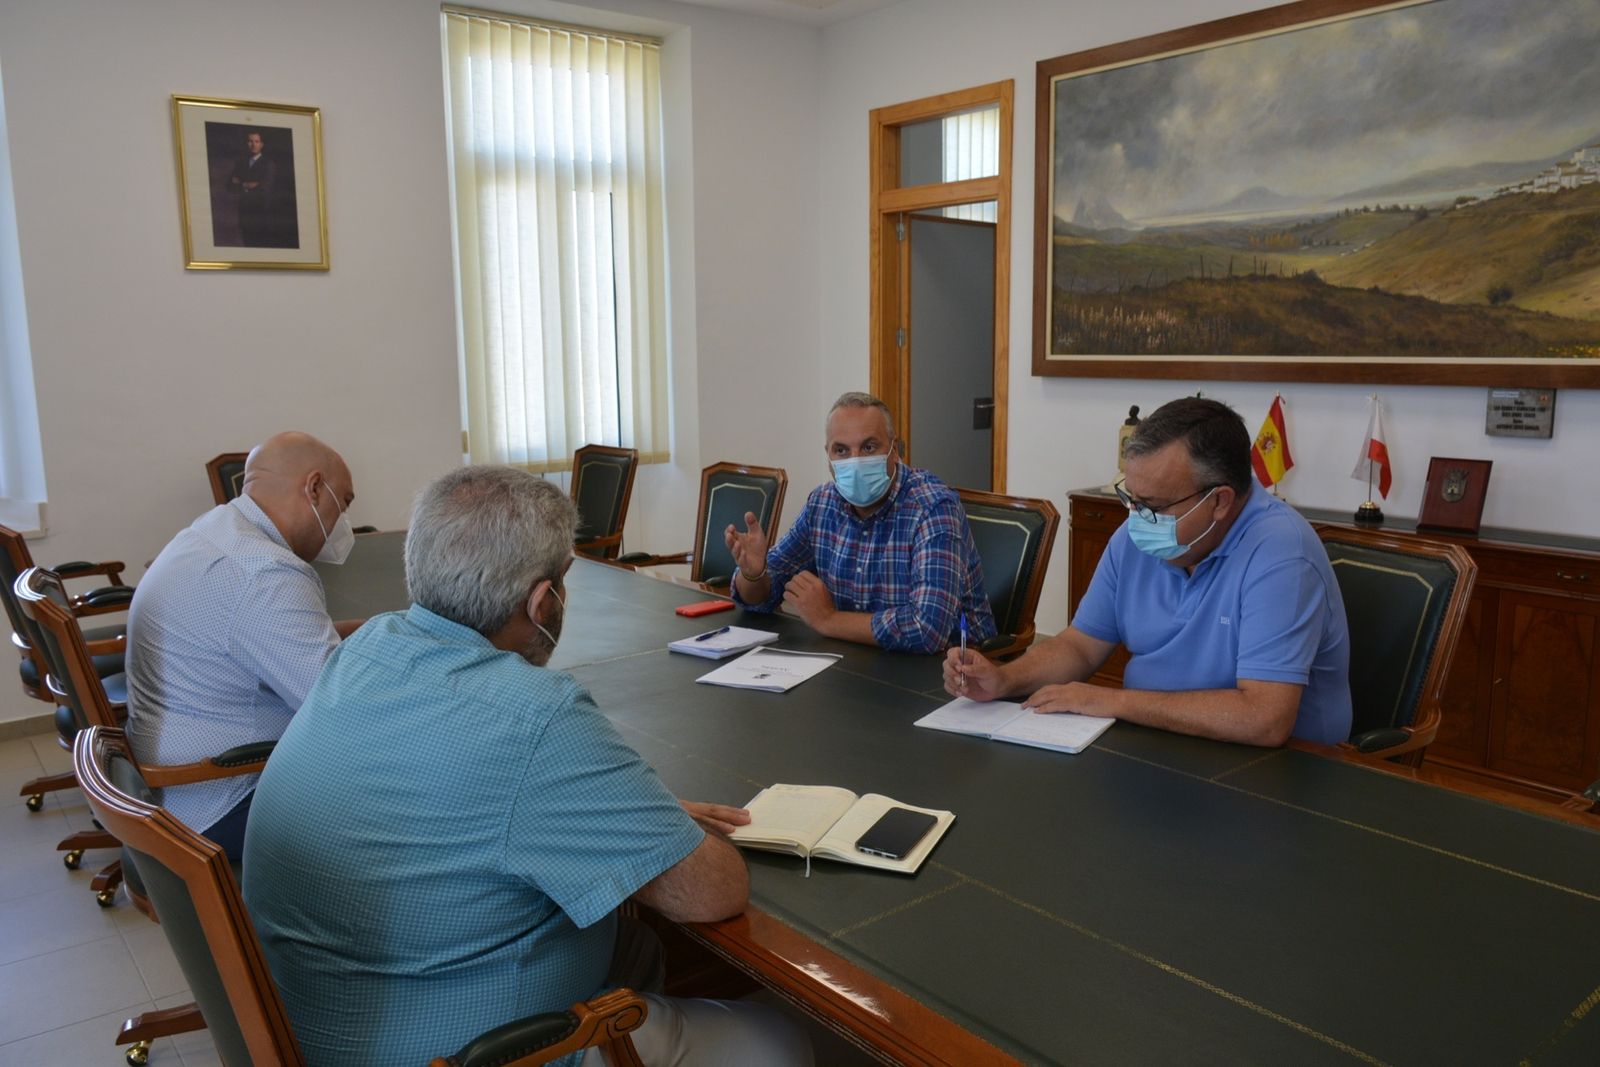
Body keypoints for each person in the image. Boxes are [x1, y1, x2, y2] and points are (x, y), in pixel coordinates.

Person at [242, 466, 812, 1067]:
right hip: (461, 1050)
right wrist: (655, 820)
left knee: (638, 946)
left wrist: (627, 812)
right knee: (779, 1042)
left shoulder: (366, 647)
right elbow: (714, 892)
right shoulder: (536, 715)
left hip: (317, 1017)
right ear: (544, 601)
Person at [945, 397, 1351, 747]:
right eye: (1132, 499)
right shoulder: (1136, 536)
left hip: (1282, 768)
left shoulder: (1282, 554)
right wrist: (1004, 679)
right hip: (1159, 739)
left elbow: (1263, 719)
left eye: (1153, 506)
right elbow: (1081, 646)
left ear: (1220, 502)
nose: (1137, 519)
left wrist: (1110, 700)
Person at [125, 431, 362, 859]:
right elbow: (343, 711)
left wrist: (375, 631)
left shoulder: (212, 532)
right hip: (223, 797)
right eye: (342, 504)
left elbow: (260, 639)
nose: (341, 523)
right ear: (313, 488)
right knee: (409, 789)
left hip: (172, 783)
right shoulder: (266, 574)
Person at [727, 391, 995, 654]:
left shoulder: (932, 507)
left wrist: (828, 619)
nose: (855, 461)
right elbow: (763, 596)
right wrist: (754, 575)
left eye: (868, 447)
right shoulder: (822, 503)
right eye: (841, 450)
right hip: (857, 655)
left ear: (894, 450)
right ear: (828, 456)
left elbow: (928, 630)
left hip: (953, 669)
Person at [227, 129, 276, 246]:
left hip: (261, 215)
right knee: (247, 245)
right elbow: (229, 186)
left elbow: (264, 189)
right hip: (244, 214)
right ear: (246, 143)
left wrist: (241, 183)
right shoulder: (241, 164)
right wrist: (248, 184)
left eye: (256, 141)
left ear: (261, 144)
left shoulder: (268, 164)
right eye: (250, 141)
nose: (253, 144)